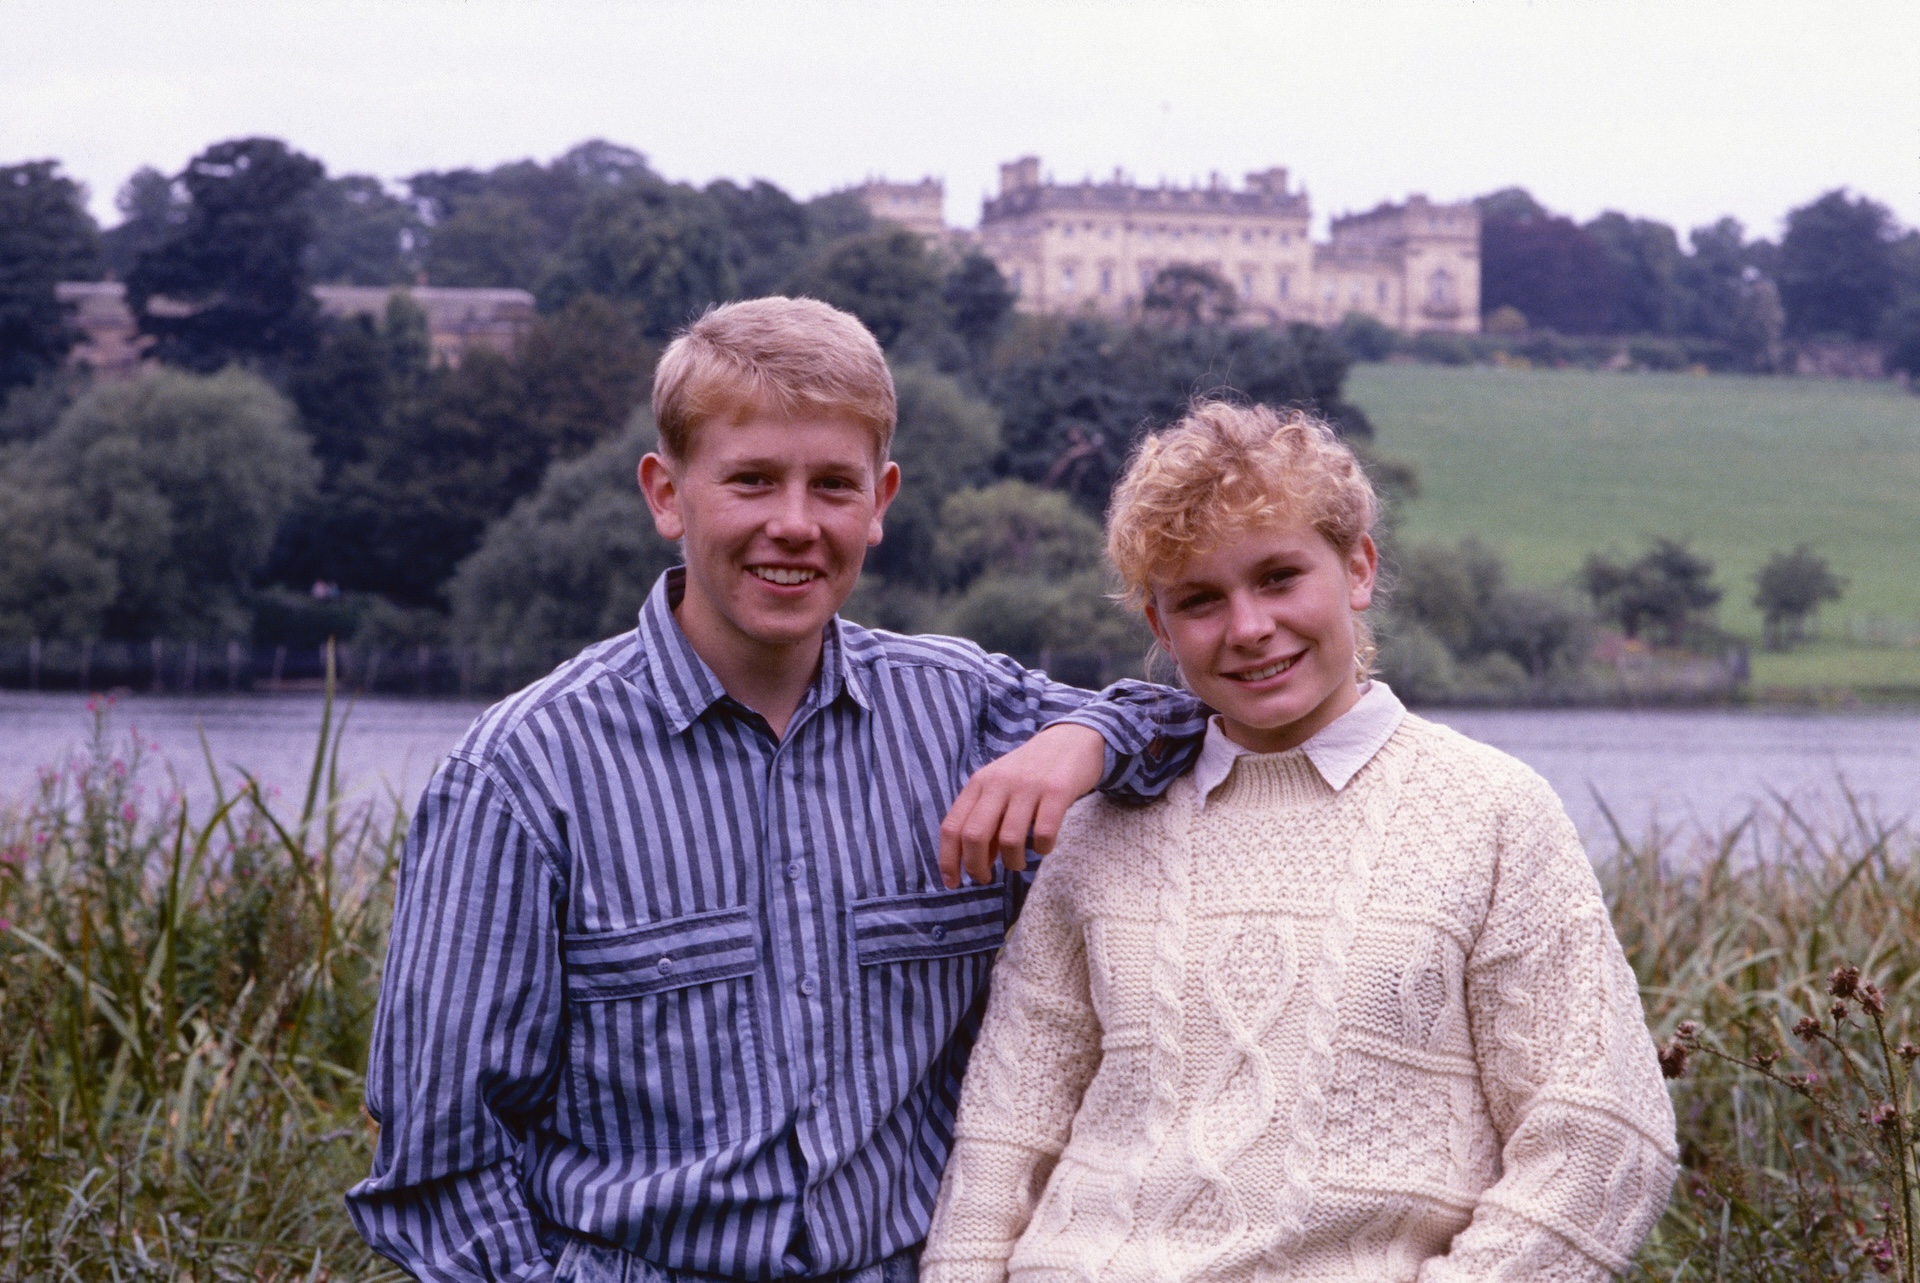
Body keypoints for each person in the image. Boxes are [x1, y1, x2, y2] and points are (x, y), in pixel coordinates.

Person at [345, 297, 1206, 1283]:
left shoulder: (968, 710)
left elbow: (1195, 720)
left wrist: (1077, 739)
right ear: (667, 494)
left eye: (832, 485)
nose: (793, 525)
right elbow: (438, 1171)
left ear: (879, 501)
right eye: (751, 480)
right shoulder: (522, 776)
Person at [921, 402, 1677, 1283]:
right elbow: (1004, 1140)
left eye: (1279, 578)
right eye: (1200, 600)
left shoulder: (1492, 812)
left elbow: (1603, 1137)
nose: (1247, 627)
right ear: (1161, 628)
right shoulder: (1098, 830)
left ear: (1358, 567)